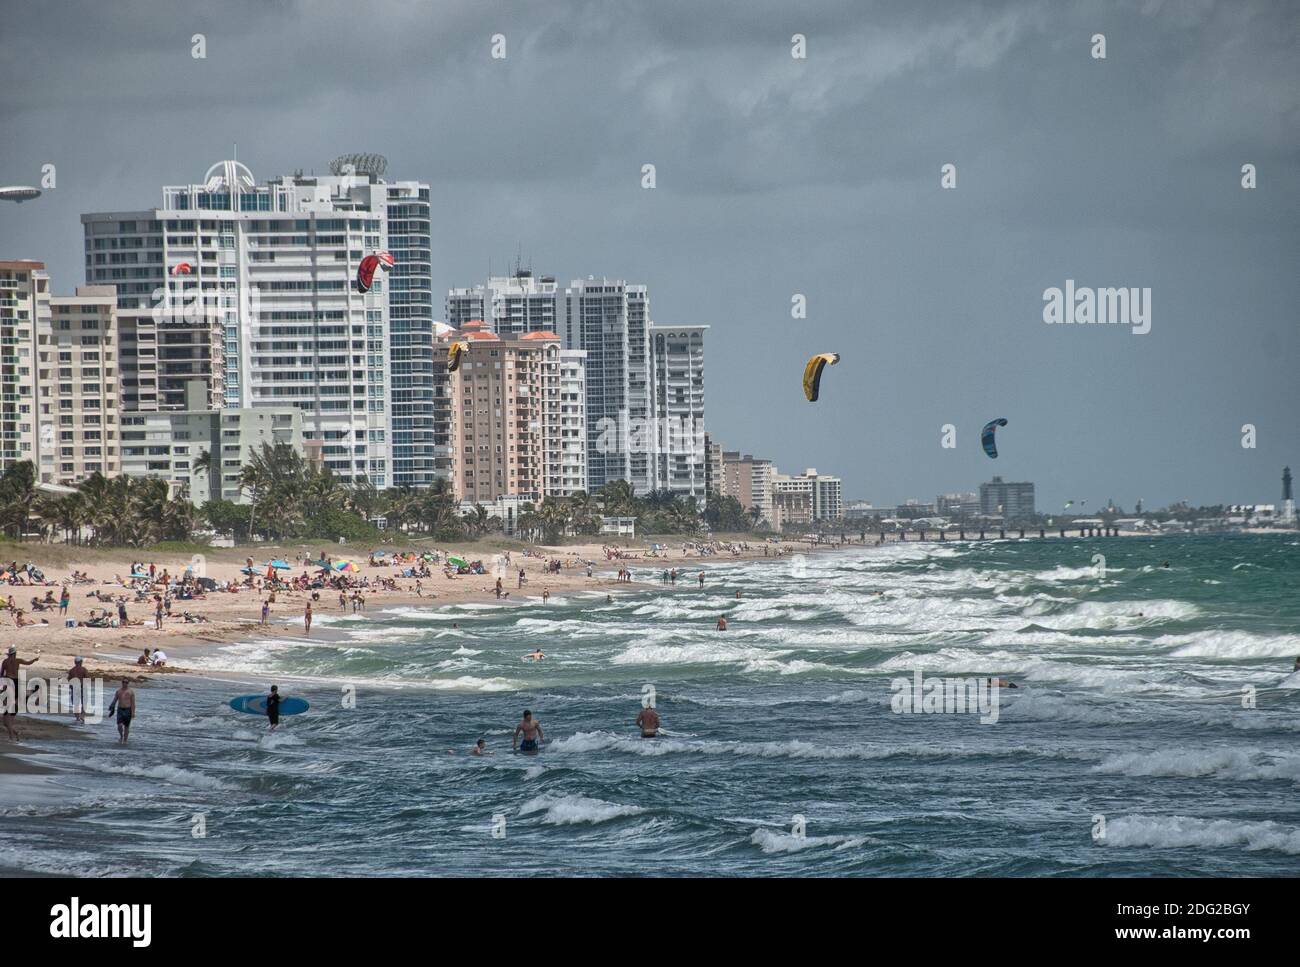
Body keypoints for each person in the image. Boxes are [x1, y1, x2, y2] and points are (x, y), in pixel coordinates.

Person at [2, 646, 39, 740]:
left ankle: (12, 737)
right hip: (16, 681)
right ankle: (15, 734)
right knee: (14, 700)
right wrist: (34, 660)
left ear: (9, 654)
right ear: (15, 654)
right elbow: (28, 663)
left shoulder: (5, 662)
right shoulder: (18, 660)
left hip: (8, 680)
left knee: (9, 703)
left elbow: (1, 673)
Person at [107, 678, 135, 744]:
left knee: (126, 726)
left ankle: (125, 740)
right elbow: (115, 699)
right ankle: (121, 736)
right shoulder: (118, 691)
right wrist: (111, 706)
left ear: (128, 683)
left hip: (128, 710)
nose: (125, 683)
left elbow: (133, 703)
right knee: (119, 725)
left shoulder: (131, 691)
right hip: (120, 710)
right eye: (124, 682)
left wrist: (133, 712)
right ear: (122, 683)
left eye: (126, 682)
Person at [68, 657, 89, 724]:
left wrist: (71, 687)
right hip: (82, 687)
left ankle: (77, 718)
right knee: (84, 703)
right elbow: (87, 678)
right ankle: (82, 716)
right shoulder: (84, 669)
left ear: (75, 662)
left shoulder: (71, 670)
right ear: (81, 662)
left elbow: (69, 680)